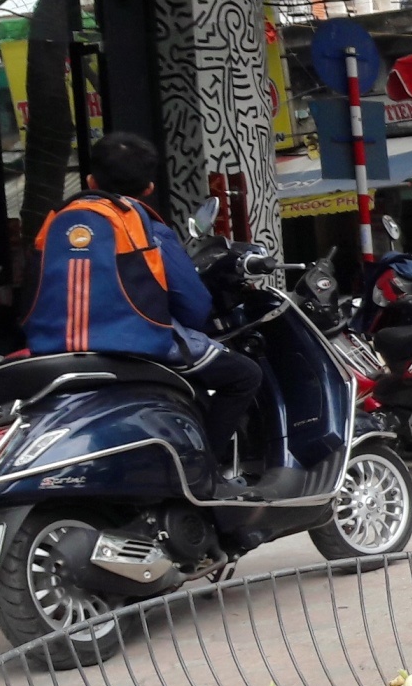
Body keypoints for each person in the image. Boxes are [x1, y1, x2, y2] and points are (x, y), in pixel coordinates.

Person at [21, 132, 263, 493]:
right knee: (244, 375)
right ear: (149, 188)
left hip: (51, 347)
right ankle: (205, 474)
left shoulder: (58, 220)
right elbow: (194, 305)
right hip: (136, 345)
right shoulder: (146, 226)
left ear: (90, 181)